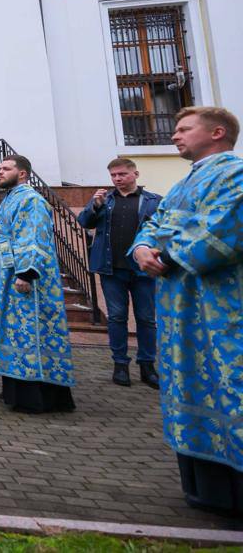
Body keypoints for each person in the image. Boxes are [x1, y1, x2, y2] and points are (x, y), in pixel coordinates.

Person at [130, 106, 243, 516]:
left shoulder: (235, 175)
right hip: (181, 309)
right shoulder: (182, 184)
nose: (174, 136)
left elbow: (221, 231)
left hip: (221, 311)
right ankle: (207, 489)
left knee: (228, 385)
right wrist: (142, 247)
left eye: (183, 129)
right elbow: (153, 222)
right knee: (193, 383)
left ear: (216, 133)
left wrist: (164, 250)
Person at [0, 155, 76, 414]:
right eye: (0, 168)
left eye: (6, 168)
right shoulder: (11, 199)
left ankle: (38, 396)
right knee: (13, 331)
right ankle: (15, 389)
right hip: (9, 277)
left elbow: (33, 236)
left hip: (27, 280)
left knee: (30, 331)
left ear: (23, 173)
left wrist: (26, 273)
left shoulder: (31, 200)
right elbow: (4, 234)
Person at [78, 158, 161, 387]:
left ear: (136, 174)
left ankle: (147, 365)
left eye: (122, 174)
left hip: (143, 271)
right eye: (114, 175)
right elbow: (84, 222)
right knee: (116, 317)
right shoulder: (106, 200)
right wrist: (95, 205)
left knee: (146, 318)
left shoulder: (153, 201)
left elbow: (162, 231)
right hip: (111, 268)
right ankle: (120, 365)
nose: (117, 179)